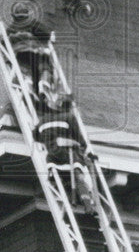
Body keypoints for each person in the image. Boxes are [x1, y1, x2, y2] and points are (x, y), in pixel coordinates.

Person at [33, 79, 96, 212]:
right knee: (81, 176)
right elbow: (79, 138)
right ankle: (88, 205)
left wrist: (49, 143)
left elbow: (35, 136)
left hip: (53, 158)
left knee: (62, 178)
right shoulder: (69, 117)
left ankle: (69, 198)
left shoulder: (41, 121)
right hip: (69, 156)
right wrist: (85, 151)